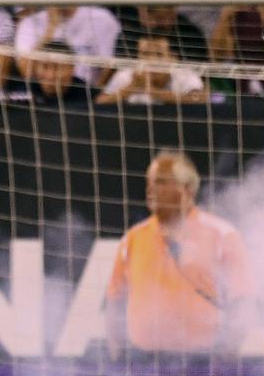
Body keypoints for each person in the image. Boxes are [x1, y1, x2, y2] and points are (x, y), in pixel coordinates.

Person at [104, 152, 253, 361]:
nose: (150, 189)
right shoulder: (133, 238)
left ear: (187, 188)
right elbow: (114, 301)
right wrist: (117, 353)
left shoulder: (222, 235)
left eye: (161, 182)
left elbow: (243, 302)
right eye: (149, 182)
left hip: (203, 364)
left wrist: (226, 356)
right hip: (144, 366)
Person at [13, 0, 121, 89]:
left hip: (86, 95)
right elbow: (27, 72)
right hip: (43, 96)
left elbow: (109, 68)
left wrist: (93, 98)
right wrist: (51, 27)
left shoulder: (102, 19)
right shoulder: (30, 23)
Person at [97, 35, 206, 104]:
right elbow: (100, 102)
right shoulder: (126, 75)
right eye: (145, 54)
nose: (151, 60)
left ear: (173, 58)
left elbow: (200, 98)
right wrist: (130, 88)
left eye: (159, 54)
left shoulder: (185, 75)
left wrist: (155, 92)